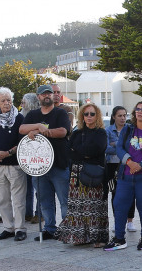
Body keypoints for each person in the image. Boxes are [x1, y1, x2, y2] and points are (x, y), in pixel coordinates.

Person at [103, 100, 142, 251]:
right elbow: (119, 148)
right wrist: (130, 162)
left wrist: (141, 164)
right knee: (119, 205)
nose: (140, 111)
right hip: (126, 176)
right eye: (137, 109)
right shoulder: (127, 129)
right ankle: (119, 238)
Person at [20, 85, 71, 241]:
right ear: (38, 97)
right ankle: (49, 228)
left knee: (64, 200)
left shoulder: (60, 112)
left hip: (59, 164)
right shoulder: (33, 114)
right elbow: (22, 128)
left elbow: (63, 131)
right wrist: (38, 126)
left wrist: (40, 131)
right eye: (44, 94)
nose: (47, 96)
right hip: (39, 167)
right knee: (44, 201)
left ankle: (67, 229)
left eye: (49, 93)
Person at [57, 104, 109, 246]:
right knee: (77, 207)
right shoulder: (77, 133)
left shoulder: (101, 133)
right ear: (82, 116)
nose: (89, 117)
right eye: (86, 114)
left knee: (94, 207)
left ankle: (98, 238)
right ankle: (80, 238)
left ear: (97, 115)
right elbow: (68, 151)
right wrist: (83, 153)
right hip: (76, 175)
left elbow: (96, 149)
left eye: (92, 114)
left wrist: (79, 151)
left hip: (94, 174)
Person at [0, 87, 27, 242]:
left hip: (14, 164)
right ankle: (8, 227)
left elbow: (23, 141)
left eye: (9, 99)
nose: (7, 103)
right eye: (3, 100)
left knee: (18, 199)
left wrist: (8, 153)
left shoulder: (19, 118)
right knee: (2, 199)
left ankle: (20, 229)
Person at [20, 92, 40, 223]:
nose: (21, 105)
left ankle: (39, 213)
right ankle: (27, 213)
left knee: (39, 187)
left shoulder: (38, 116)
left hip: (38, 157)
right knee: (26, 187)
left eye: (24, 102)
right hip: (24, 157)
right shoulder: (20, 117)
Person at [106, 106, 126, 209]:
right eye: (120, 116)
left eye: (124, 115)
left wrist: (116, 144)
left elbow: (133, 148)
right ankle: (116, 219)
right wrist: (122, 147)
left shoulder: (130, 129)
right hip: (112, 165)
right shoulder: (108, 130)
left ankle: (130, 220)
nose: (123, 118)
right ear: (114, 117)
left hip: (127, 164)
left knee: (128, 193)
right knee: (114, 193)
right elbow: (106, 149)